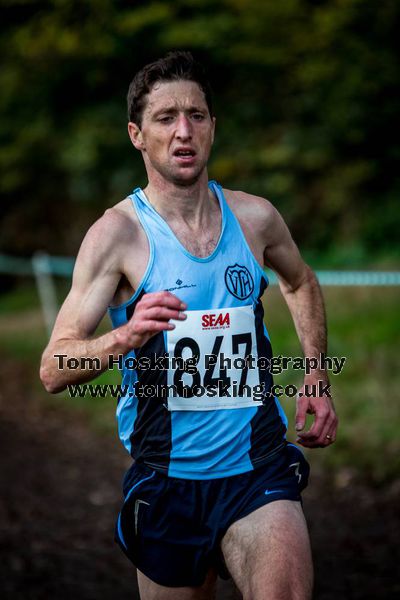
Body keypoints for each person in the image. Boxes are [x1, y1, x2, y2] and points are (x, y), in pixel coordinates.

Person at [40, 51, 338, 600]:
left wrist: (316, 375)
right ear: (137, 134)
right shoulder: (116, 236)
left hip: (258, 470)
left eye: (196, 116)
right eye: (165, 117)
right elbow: (56, 368)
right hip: (167, 481)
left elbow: (300, 282)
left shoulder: (255, 218)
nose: (184, 131)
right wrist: (125, 336)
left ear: (212, 127)